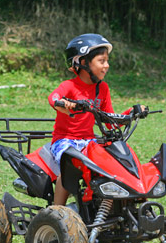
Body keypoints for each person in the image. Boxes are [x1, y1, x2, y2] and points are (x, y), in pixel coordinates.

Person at [48, 33, 135, 205]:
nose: (107, 66)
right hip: (65, 141)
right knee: (68, 170)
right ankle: (57, 210)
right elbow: (53, 97)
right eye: (101, 61)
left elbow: (108, 119)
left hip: (89, 141)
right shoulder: (69, 86)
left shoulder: (102, 88)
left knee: (114, 164)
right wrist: (64, 103)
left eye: (107, 61)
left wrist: (130, 113)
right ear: (83, 62)